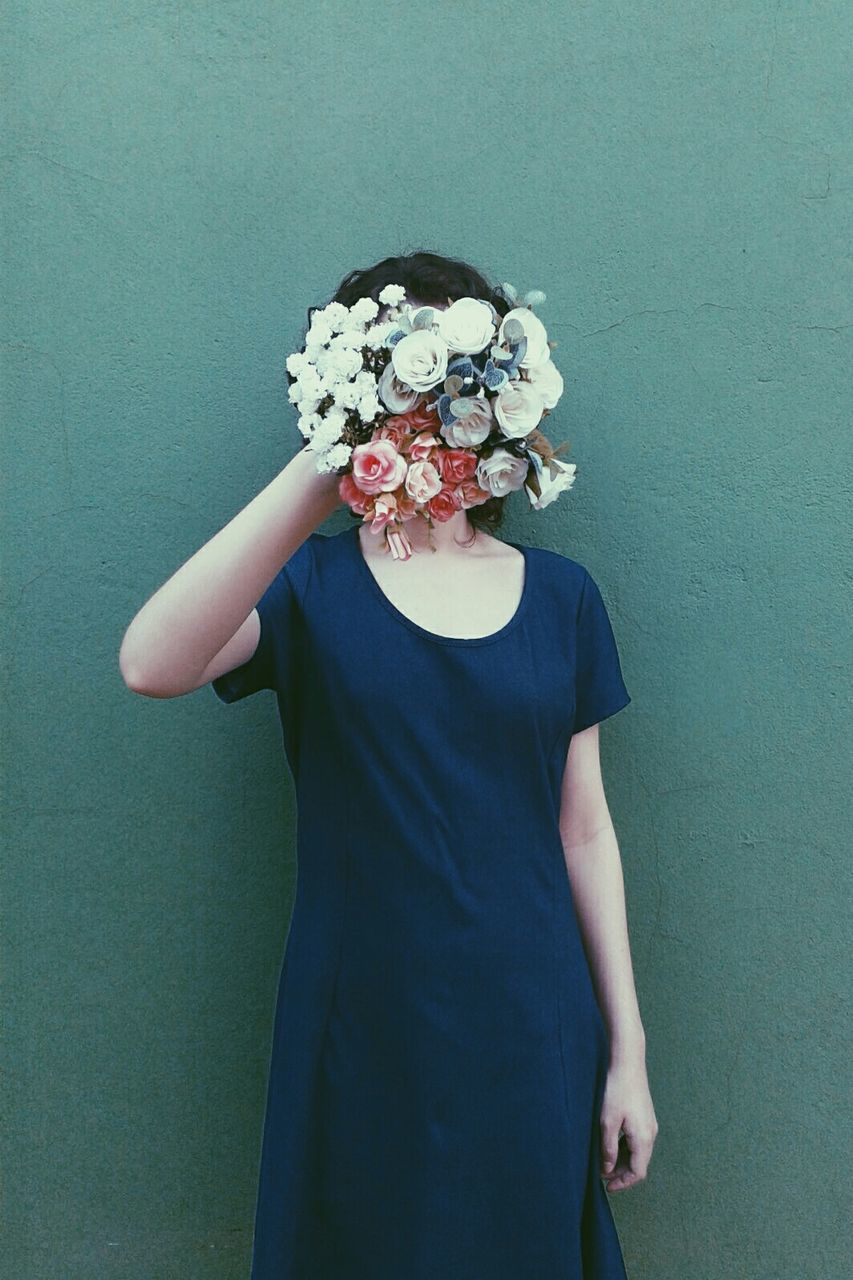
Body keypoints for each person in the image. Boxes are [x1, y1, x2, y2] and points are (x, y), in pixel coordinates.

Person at [119, 251, 658, 1278]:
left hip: (528, 1021)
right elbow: (152, 661)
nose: (424, 405)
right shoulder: (311, 587)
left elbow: (583, 829)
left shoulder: (562, 597)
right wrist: (325, 460)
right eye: (396, 380)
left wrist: (625, 1051)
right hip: (359, 1023)